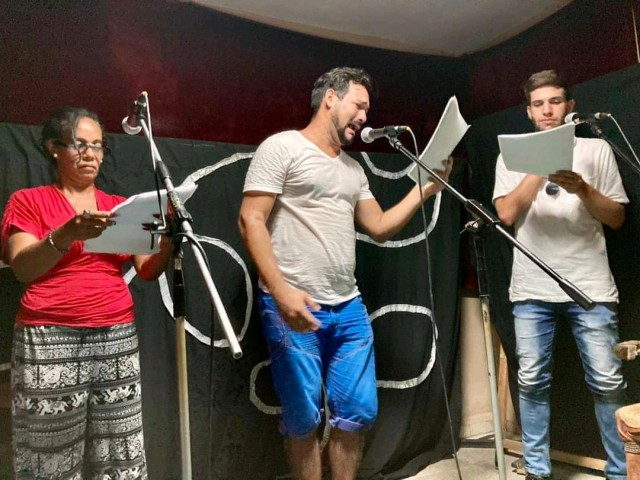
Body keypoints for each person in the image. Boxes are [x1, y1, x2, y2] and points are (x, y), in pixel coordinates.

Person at [238, 66, 452, 480]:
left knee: (357, 413)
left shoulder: (353, 170)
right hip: (292, 302)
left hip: (348, 307)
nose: (364, 117)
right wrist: (281, 292)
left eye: (367, 110)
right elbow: (251, 219)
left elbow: (380, 227)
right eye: (359, 105)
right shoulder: (282, 147)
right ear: (331, 98)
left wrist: (427, 187)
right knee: (302, 417)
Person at [1, 107, 173, 479]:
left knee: (120, 447)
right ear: (54, 147)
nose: (90, 154)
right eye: (80, 144)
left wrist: (169, 241)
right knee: (50, 449)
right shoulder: (28, 201)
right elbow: (22, 268)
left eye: (97, 146)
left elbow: (147, 271)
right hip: (50, 335)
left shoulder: (118, 206)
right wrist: (66, 234)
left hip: (116, 334)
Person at [493, 70, 628, 480]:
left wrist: (583, 188)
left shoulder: (595, 149)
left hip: (591, 286)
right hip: (532, 288)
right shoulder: (511, 155)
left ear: (569, 106)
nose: (547, 110)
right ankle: (537, 470)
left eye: (554, 101)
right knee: (532, 380)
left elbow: (617, 218)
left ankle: (621, 471)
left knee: (607, 381)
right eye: (538, 104)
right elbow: (505, 213)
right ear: (529, 112)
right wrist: (540, 166)